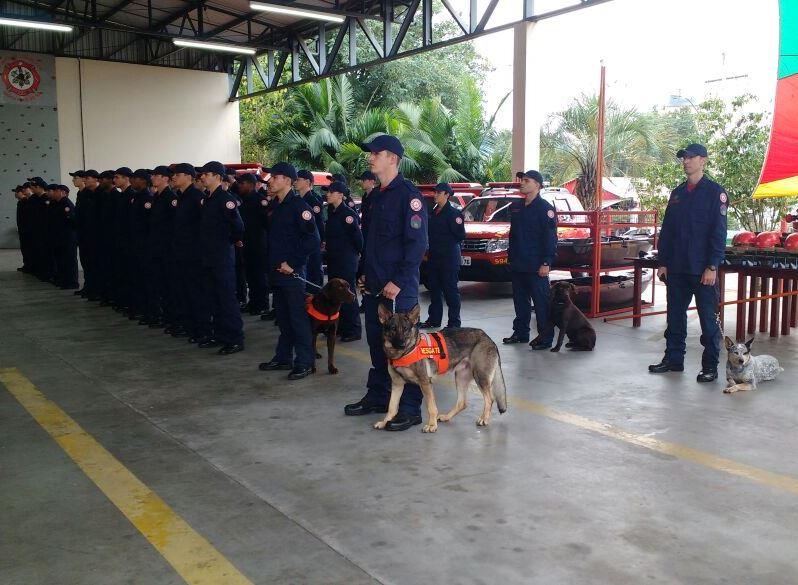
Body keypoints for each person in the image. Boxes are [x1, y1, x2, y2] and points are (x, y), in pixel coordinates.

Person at [345, 134, 428, 431]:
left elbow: (417, 245)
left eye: (376, 154)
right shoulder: (375, 195)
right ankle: (379, 395)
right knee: (377, 345)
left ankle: (410, 408)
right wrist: (364, 272)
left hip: (397, 289)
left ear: (392, 158)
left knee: (405, 349)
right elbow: (372, 243)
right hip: (375, 286)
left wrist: (399, 280)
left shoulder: (409, 196)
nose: (370, 158)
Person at [649, 143, 727, 382]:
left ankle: (710, 366)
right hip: (677, 268)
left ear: (703, 160)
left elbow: (718, 233)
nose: (686, 161)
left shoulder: (716, 193)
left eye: (691, 157)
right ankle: (673, 359)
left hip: (703, 270)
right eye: (683, 158)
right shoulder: (677, 193)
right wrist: (663, 262)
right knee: (674, 317)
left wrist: (712, 265)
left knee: (707, 321)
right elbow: (669, 231)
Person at [258, 162, 320, 380]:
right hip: (276, 272)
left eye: (274, 177)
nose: (271, 181)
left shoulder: (300, 207)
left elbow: (313, 240)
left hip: (292, 273)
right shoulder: (275, 206)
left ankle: (304, 361)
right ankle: (283, 357)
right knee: (283, 318)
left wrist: (293, 263)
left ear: (287, 180)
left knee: (297, 319)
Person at [503, 170, 557, 349]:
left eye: (526, 180)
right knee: (520, 302)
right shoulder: (517, 206)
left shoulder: (545, 209)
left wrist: (546, 262)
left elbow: (550, 238)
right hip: (518, 263)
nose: (522, 183)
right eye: (522, 180)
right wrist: (510, 258)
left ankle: (545, 337)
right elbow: (513, 235)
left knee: (541, 304)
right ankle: (521, 333)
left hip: (536, 265)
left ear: (537, 185)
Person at [171, 163, 210, 342]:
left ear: (188, 176)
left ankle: (202, 329)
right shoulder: (181, 196)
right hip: (182, 252)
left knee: (196, 293)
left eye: (177, 174)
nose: (174, 177)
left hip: (194, 254)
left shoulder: (196, 197)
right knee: (184, 291)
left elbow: (202, 227)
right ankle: (190, 326)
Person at [420, 182, 466, 329]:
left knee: (450, 291)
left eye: (439, 193)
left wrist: (445, 244)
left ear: (447, 194)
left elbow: (460, 235)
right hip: (435, 258)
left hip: (448, 259)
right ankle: (434, 319)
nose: (436, 195)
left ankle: (454, 323)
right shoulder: (434, 213)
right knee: (434, 290)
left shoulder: (454, 214)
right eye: (436, 192)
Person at [324, 181, 363, 342]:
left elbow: (358, 239)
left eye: (332, 192)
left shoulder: (347, 214)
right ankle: (341, 327)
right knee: (336, 295)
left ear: (340, 195)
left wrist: (356, 254)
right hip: (333, 259)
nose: (328, 194)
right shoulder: (332, 212)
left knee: (347, 294)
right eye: (328, 192)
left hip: (345, 260)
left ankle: (353, 329)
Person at [148, 165, 177, 328]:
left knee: (168, 285)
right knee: (159, 283)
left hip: (167, 249)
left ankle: (171, 317)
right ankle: (164, 316)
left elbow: (173, 226)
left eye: (156, 175)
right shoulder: (156, 197)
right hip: (156, 248)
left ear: (165, 178)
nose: (153, 178)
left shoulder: (170, 198)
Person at [237, 173, 271, 316]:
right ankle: (253, 302)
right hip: (247, 244)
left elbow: (267, 224)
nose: (239, 186)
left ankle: (262, 304)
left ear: (250, 184)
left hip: (258, 244)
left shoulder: (260, 201)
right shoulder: (243, 200)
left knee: (259, 275)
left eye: (242, 183)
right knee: (250, 275)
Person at [296, 169, 325, 289]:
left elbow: (319, 224)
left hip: (312, 242)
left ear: (307, 182)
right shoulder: (296, 200)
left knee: (313, 273)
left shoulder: (314, 201)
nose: (295, 182)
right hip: (299, 242)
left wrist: (322, 240)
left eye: (298, 179)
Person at [47, 185, 79, 289]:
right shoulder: (57, 203)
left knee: (69, 260)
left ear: (63, 192)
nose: (54, 193)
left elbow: (72, 221)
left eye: (56, 191)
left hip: (67, 237)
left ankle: (72, 282)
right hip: (59, 237)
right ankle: (63, 280)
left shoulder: (66, 203)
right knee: (61, 260)